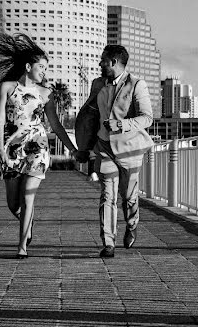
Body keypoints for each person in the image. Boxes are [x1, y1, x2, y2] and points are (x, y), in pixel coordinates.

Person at [0, 33, 78, 259]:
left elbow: (56, 126)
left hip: (37, 147)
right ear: (28, 66)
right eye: (41, 67)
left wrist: (73, 149)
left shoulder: (46, 94)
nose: (44, 72)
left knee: (29, 196)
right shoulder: (7, 87)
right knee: (13, 204)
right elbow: (0, 119)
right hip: (12, 147)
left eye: (46, 68)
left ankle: (22, 247)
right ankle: (27, 223)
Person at [75, 45, 153, 258]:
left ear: (114, 63)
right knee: (107, 195)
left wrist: (123, 125)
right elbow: (90, 115)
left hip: (130, 150)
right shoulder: (97, 84)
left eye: (103, 61)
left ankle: (132, 223)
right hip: (104, 147)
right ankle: (108, 242)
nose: (100, 64)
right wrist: (85, 145)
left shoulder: (137, 85)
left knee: (129, 195)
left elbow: (147, 118)